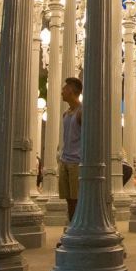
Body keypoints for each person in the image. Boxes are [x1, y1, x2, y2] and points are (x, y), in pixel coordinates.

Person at [58, 77, 83, 221]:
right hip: (65, 160)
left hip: (76, 162)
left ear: (72, 91)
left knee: (77, 199)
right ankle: (71, 227)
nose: (62, 91)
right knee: (68, 199)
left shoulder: (81, 112)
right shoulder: (66, 114)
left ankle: (75, 228)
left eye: (65, 89)